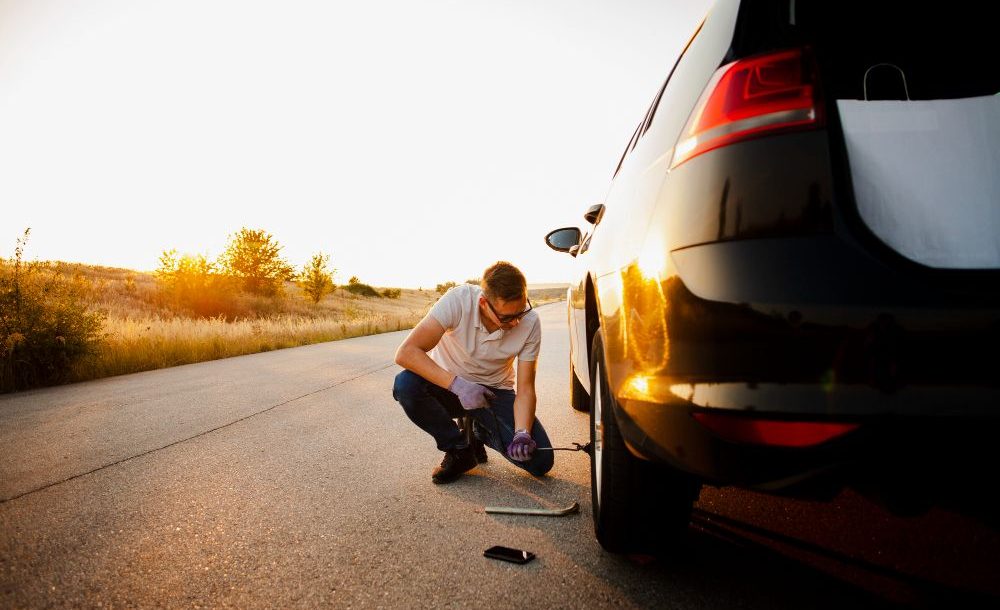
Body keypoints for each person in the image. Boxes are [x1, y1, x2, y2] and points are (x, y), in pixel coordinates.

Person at [392, 261, 554, 484]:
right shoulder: (458, 301)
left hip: (494, 393)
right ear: (483, 303)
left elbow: (526, 388)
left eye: (521, 311)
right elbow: (406, 353)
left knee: (541, 461)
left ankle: (480, 430)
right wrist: (457, 385)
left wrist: (522, 433)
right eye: (506, 318)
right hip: (449, 387)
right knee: (405, 385)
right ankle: (459, 450)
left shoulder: (531, 322)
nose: (516, 322)